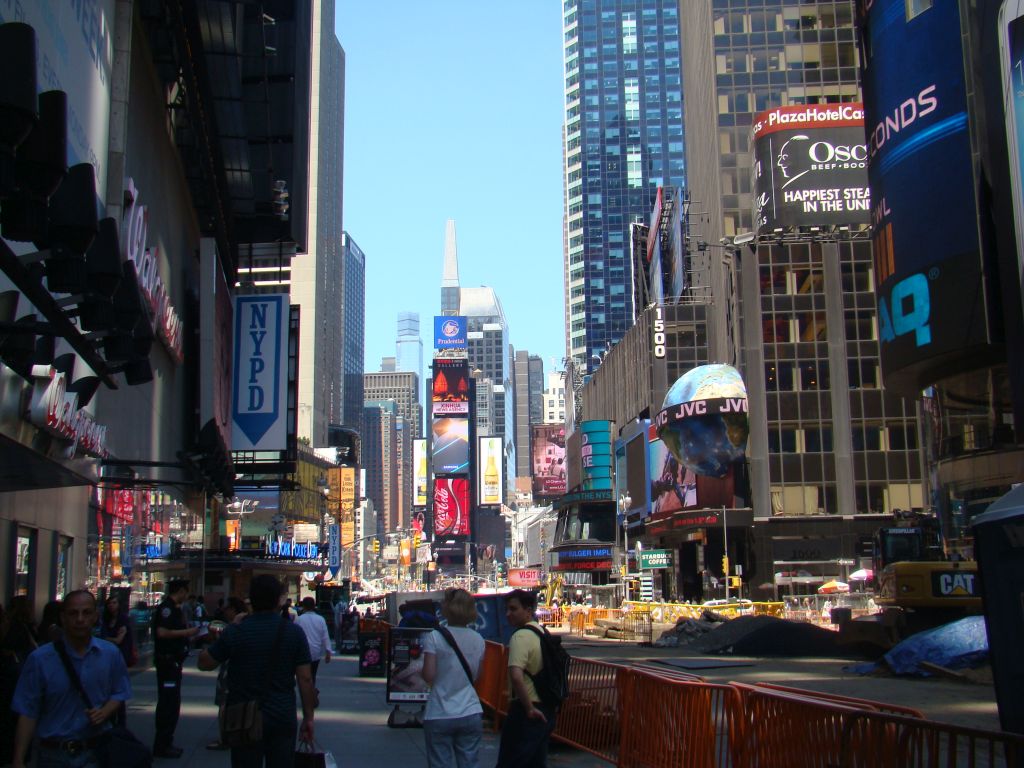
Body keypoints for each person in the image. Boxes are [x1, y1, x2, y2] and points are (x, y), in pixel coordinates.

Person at [199, 575, 316, 767]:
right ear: (279, 600)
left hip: (244, 716)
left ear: (250, 600)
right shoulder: (294, 633)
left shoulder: (236, 631)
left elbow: (205, 663)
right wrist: (309, 718)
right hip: (281, 714)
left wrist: (221, 635)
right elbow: (305, 679)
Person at [10, 590, 131, 768]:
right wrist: (18, 759)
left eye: (86, 613)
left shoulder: (110, 654)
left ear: (95, 616)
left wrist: (105, 712)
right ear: (63, 617)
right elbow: (28, 710)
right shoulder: (40, 659)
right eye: (73, 613)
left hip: (95, 752)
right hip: (53, 754)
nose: (80, 619)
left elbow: (120, 691)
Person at [420, 588, 484, 768]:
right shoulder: (479, 639)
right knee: (470, 763)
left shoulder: (434, 637)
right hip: (470, 711)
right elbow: (478, 675)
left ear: (448, 608)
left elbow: (429, 675)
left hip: (439, 712)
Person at [495, 589, 557, 768]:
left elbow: (516, 676)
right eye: (507, 609)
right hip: (546, 709)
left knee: (510, 762)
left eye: (513, 609)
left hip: (525, 710)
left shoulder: (520, 637)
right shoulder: (543, 633)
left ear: (528, 610)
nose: (508, 614)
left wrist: (529, 708)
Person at [152, 579, 201, 758]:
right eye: (186, 592)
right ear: (180, 591)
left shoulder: (175, 609)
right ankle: (162, 744)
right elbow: (162, 632)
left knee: (172, 703)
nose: (186, 596)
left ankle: (167, 741)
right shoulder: (167, 608)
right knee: (168, 704)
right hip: (167, 662)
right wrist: (187, 633)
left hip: (174, 661)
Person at [205, 597, 248, 751]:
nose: (225, 611)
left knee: (225, 703)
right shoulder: (241, 625)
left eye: (227, 608)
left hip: (230, 670)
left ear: (234, 610)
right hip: (238, 670)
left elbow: (208, 660)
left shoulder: (235, 627)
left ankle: (226, 737)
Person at [294, 597, 331, 684]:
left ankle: (307, 691)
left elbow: (295, 636)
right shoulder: (320, 619)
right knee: (313, 674)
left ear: (303, 606)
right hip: (316, 652)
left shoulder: (299, 619)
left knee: (304, 676)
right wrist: (328, 651)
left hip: (303, 652)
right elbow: (325, 636)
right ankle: (312, 690)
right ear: (314, 606)